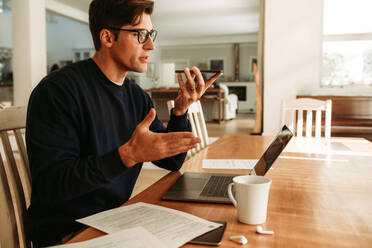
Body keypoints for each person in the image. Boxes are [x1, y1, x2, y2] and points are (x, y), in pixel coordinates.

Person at [25, 0, 222, 247]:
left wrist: (181, 109)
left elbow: (172, 161)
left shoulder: (136, 96)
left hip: (116, 220)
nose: (151, 45)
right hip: (69, 231)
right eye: (140, 35)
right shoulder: (57, 91)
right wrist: (126, 156)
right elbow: (51, 186)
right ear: (108, 37)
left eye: (151, 34)